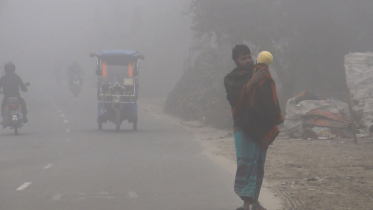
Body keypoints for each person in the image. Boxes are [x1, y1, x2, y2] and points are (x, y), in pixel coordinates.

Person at [224, 45, 283, 210]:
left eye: (249, 56)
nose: (248, 60)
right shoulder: (231, 78)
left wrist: (260, 78)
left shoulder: (260, 71)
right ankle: (246, 203)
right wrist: (252, 81)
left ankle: (255, 202)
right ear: (236, 61)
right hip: (242, 126)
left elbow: (269, 93)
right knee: (245, 163)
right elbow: (234, 100)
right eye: (243, 58)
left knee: (258, 163)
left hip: (260, 126)